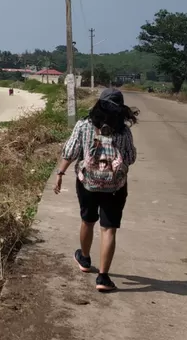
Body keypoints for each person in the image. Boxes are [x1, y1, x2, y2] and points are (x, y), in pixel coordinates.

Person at [53, 88, 139, 292]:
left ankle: (84, 259)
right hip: (115, 186)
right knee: (108, 229)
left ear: (99, 105)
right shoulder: (124, 131)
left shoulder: (84, 125)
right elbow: (130, 158)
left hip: (88, 184)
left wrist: (60, 174)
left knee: (87, 221)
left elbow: (71, 151)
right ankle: (103, 277)